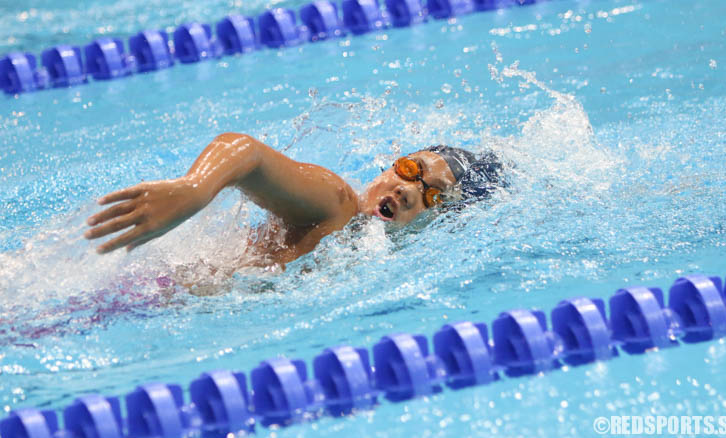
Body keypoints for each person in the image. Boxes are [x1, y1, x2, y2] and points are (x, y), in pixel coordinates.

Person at [85, 133, 504, 267]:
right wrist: (196, 189)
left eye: (432, 194)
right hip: (145, 300)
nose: (409, 189)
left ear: (438, 219)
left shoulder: (356, 247)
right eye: (410, 169)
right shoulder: (336, 204)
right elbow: (245, 151)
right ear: (386, 168)